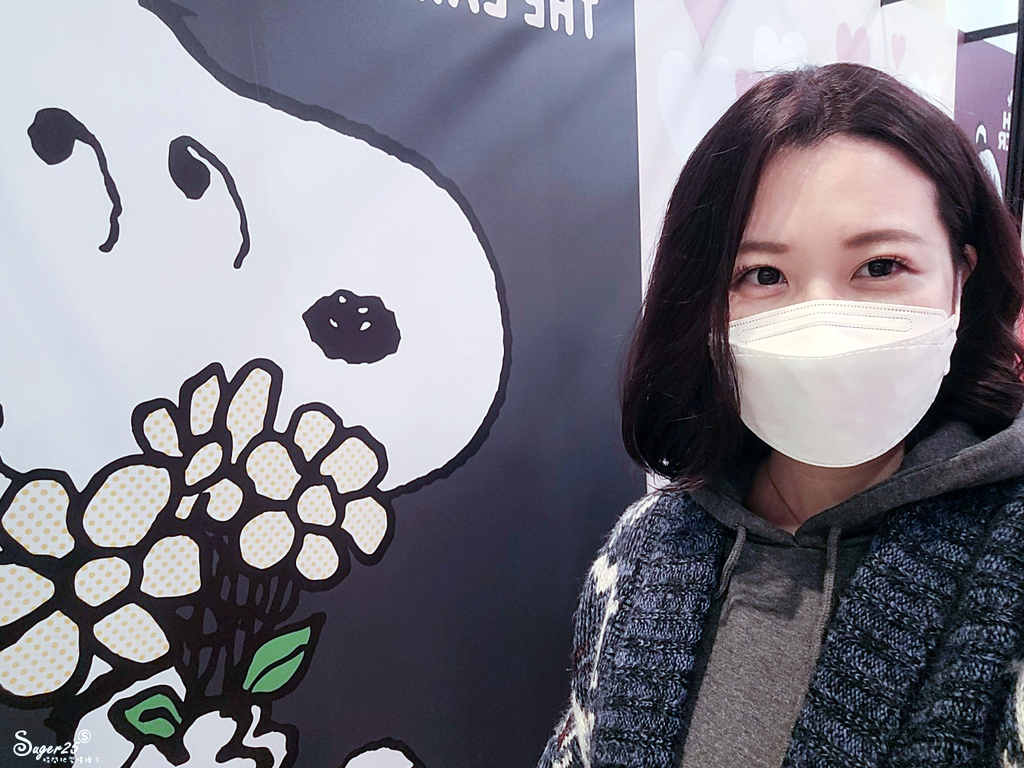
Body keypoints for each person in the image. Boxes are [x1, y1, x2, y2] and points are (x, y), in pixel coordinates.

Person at [538, 62, 1024, 767]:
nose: (822, 327)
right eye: (764, 275)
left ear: (961, 278)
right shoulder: (644, 549)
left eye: (880, 266)